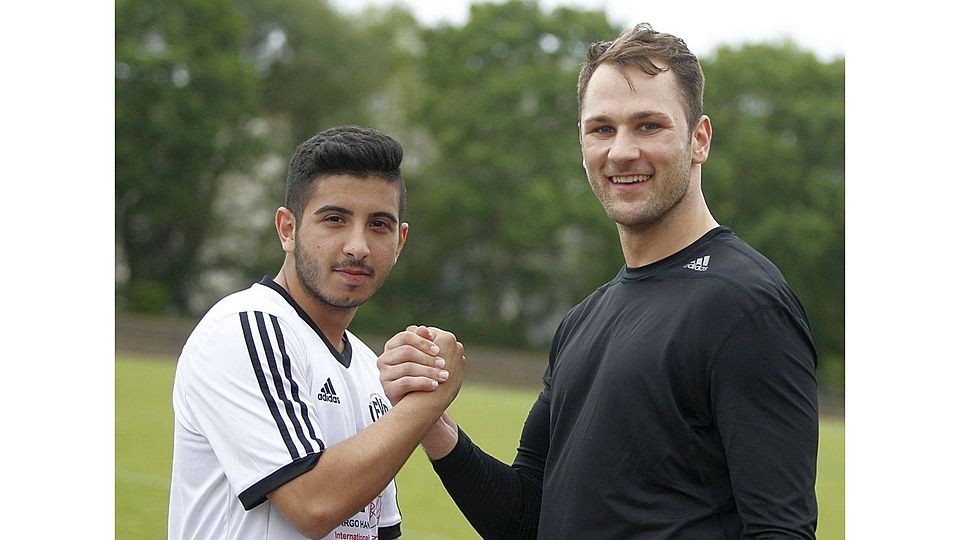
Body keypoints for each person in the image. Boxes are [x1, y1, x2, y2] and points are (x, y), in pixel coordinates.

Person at [379, 23, 819, 539]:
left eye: (649, 126)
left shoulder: (745, 307)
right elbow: (524, 520)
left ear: (699, 139)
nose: (622, 152)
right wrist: (431, 418)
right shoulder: (583, 321)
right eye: (602, 129)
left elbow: (781, 531)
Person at [167, 125, 465, 540]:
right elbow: (313, 503)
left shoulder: (367, 366)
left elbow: (374, 530)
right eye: (335, 219)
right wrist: (426, 402)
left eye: (378, 224)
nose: (357, 246)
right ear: (287, 229)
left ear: (400, 241)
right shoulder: (247, 328)